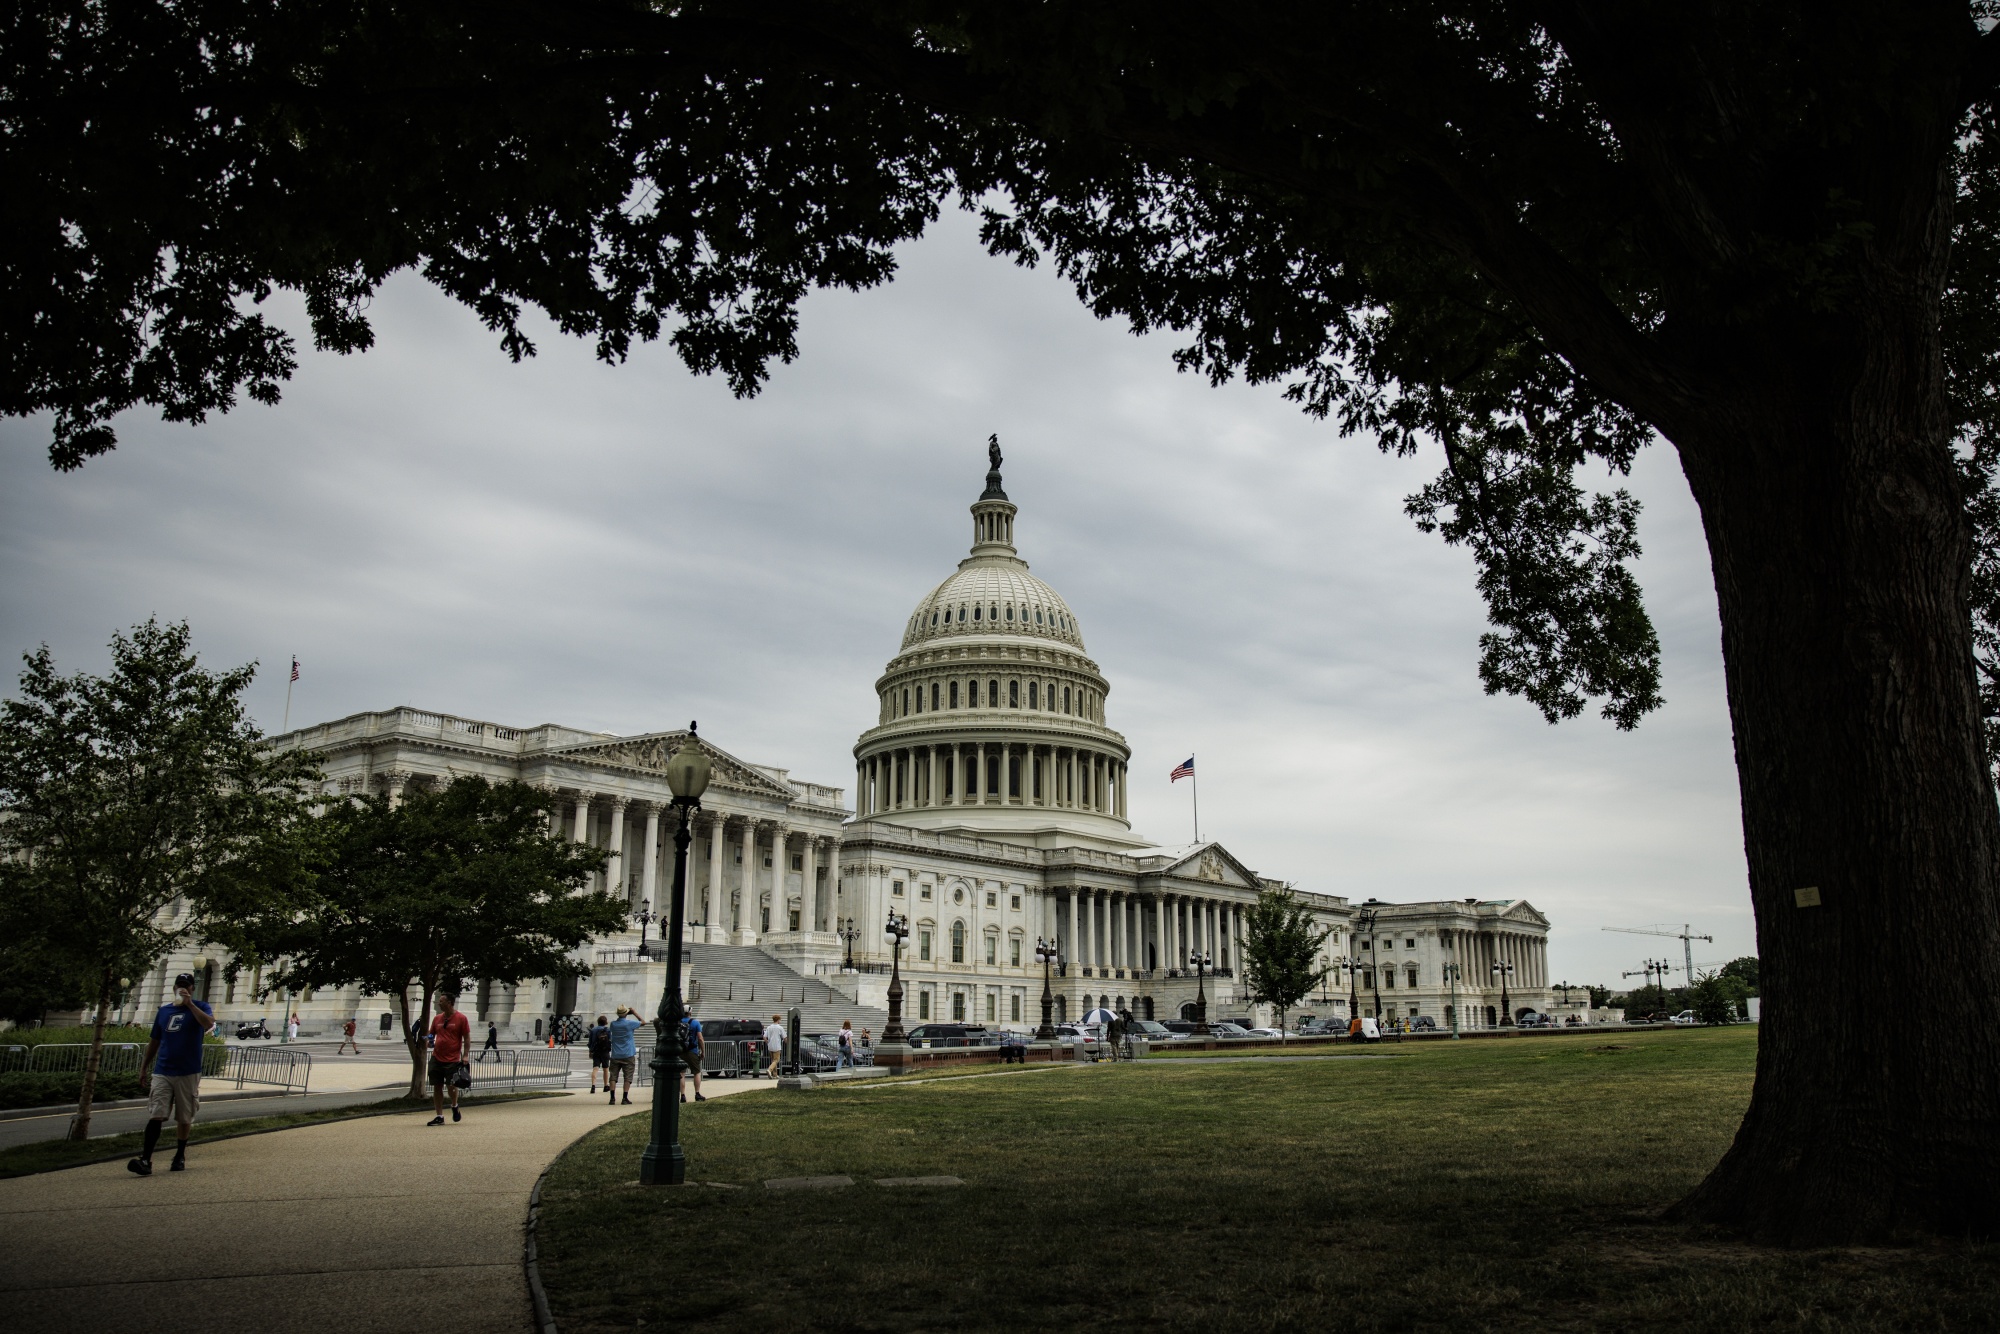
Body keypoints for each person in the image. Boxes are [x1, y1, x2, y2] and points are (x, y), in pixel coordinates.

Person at [128, 972, 216, 1176]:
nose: (182, 988)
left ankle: (179, 1155)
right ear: (173, 987)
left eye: (186, 986)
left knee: (184, 1116)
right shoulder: (164, 1011)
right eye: (179, 985)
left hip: (188, 1071)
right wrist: (144, 1067)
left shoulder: (200, 1007)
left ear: (192, 988)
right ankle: (146, 1159)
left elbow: (209, 1024)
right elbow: (155, 1041)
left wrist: (189, 1005)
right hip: (163, 1070)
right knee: (156, 1114)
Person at [426, 993, 472, 1126]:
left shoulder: (461, 1018)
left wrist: (465, 1055)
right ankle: (439, 1116)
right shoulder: (437, 1019)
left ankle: (454, 1105)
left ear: (450, 1003)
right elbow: (431, 1034)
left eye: (441, 1001)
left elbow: (467, 1038)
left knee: (451, 1086)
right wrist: (429, 1042)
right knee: (437, 1086)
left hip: (452, 1059)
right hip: (436, 1057)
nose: (438, 1003)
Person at [606, 1005, 644, 1104]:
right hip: (628, 1053)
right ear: (626, 1013)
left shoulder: (613, 1024)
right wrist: (634, 1013)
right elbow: (643, 1022)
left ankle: (612, 1098)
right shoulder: (629, 1024)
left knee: (613, 1076)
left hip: (616, 1054)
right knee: (628, 1077)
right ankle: (624, 1097)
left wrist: (626, 1014)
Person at [679, 1013, 706, 1103]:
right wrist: (703, 1051)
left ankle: (682, 1095)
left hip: (681, 1051)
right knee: (696, 1072)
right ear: (690, 1013)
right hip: (692, 1051)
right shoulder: (695, 1023)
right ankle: (697, 1093)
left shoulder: (678, 1022)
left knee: (682, 1073)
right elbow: (700, 1038)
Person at [586, 1014, 612, 1093]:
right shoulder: (607, 1030)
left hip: (596, 1051)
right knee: (606, 1069)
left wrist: (590, 1050)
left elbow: (590, 1042)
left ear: (598, 1022)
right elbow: (610, 1041)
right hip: (605, 1051)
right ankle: (606, 1085)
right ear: (606, 1022)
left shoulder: (593, 1030)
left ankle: (593, 1086)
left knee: (595, 1068)